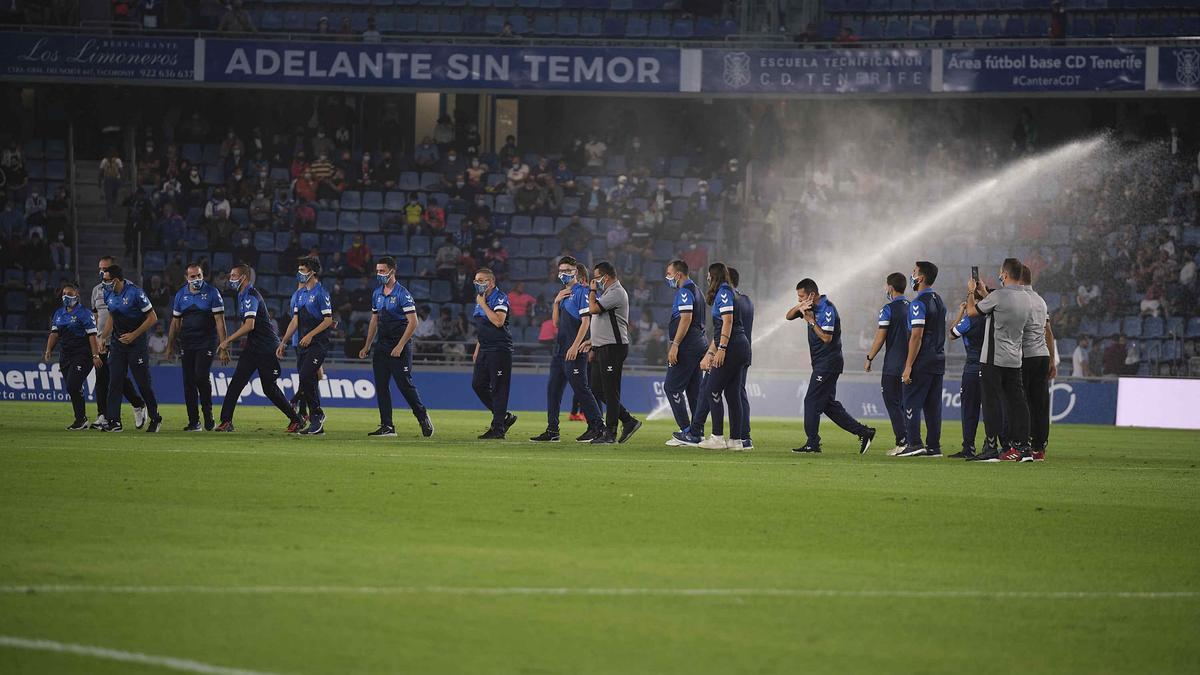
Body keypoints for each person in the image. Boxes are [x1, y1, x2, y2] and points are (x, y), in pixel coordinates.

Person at [785, 279, 875, 454]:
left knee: (810, 401)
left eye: (801, 296)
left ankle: (813, 442)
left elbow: (827, 338)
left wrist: (810, 321)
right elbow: (788, 316)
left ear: (811, 295)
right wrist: (799, 308)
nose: (799, 300)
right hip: (821, 363)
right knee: (827, 405)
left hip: (828, 363)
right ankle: (864, 432)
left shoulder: (827, 308)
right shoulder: (808, 307)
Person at [215, 265, 304, 432]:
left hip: (267, 349)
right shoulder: (242, 295)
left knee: (269, 388)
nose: (230, 279)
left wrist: (227, 341)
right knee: (236, 383)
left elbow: (250, 325)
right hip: (253, 348)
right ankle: (226, 421)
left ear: (244, 277)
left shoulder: (250, 295)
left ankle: (296, 419)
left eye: (234, 276)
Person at [965, 258, 1033, 462]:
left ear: (1004, 274)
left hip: (993, 358)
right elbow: (1000, 307)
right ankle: (1023, 447)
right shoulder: (1026, 297)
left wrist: (971, 292)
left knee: (991, 402)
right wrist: (986, 293)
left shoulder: (1000, 296)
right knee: (1018, 403)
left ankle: (991, 447)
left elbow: (971, 312)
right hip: (1014, 358)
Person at [359, 257, 435, 438]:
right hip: (382, 346)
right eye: (378, 271)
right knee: (382, 386)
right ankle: (387, 425)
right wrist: (367, 345)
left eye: (383, 271)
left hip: (399, 344)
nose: (380, 274)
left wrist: (400, 345)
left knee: (404, 384)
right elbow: (374, 320)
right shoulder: (377, 293)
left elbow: (413, 322)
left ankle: (422, 416)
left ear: (393, 271)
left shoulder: (403, 294)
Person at [531, 258, 604, 443]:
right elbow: (555, 323)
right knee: (553, 390)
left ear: (576, 272)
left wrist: (575, 346)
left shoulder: (583, 292)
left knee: (581, 389)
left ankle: (597, 427)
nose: (564, 273)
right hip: (560, 350)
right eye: (561, 270)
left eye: (568, 269)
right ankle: (552, 430)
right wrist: (556, 303)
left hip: (574, 350)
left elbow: (586, 321)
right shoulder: (563, 294)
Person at [98, 265, 163, 433]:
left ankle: (156, 418)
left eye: (106, 280)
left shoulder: (136, 293)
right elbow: (112, 315)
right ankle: (114, 422)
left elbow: (152, 318)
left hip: (136, 344)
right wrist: (103, 337)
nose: (103, 283)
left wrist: (134, 335)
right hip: (118, 343)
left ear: (116, 280)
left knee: (143, 384)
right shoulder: (108, 293)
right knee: (114, 382)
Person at [583, 261, 642, 444]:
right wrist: (594, 344)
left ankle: (611, 432)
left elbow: (593, 309)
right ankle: (628, 420)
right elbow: (603, 322)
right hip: (603, 346)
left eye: (597, 277)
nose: (595, 281)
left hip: (613, 347)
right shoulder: (608, 293)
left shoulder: (616, 292)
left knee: (610, 390)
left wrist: (592, 291)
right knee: (597, 388)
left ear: (606, 277)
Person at [166, 262, 228, 431]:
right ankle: (194, 421)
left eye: (199, 276)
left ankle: (208, 415)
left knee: (201, 377)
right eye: (193, 277)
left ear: (203, 276)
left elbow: (220, 322)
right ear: (186, 278)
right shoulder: (180, 295)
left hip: (206, 341)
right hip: (187, 342)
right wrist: (170, 346)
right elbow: (175, 323)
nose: (196, 279)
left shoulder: (212, 293)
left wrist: (223, 346)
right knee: (188, 382)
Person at [278, 257, 334, 436]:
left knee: (305, 375)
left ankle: (317, 414)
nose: (299, 273)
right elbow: (295, 321)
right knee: (305, 378)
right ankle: (317, 424)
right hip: (302, 344)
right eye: (299, 269)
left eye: (302, 270)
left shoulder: (321, 293)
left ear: (312, 272)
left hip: (318, 344)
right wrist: (284, 341)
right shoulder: (299, 295)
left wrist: (310, 335)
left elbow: (328, 320)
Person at [897, 261, 947, 458]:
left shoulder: (918, 303)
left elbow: (917, 335)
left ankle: (914, 443)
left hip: (922, 359)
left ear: (921, 278)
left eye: (914, 272)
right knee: (933, 405)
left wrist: (908, 365)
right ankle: (934, 447)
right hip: (938, 359)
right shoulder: (939, 300)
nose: (912, 275)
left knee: (911, 401)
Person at [91, 255, 147, 429]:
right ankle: (104, 415)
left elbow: (115, 316)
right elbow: (96, 315)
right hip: (101, 339)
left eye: (105, 269)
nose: (102, 272)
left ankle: (137, 404)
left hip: (117, 340)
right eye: (100, 269)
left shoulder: (126, 288)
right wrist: (97, 338)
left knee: (117, 379)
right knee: (101, 379)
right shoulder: (96, 291)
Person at [43, 281, 102, 430]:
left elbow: (92, 336)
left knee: (73, 385)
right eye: (64, 294)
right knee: (72, 388)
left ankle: (81, 419)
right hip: (65, 354)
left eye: (69, 294)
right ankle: (81, 419)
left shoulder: (85, 314)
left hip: (82, 354)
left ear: (77, 295)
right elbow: (54, 334)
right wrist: (49, 349)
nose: (66, 297)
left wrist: (95, 356)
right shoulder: (59, 313)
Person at [661, 259, 707, 443]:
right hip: (698, 344)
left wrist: (675, 344)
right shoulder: (697, 290)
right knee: (693, 390)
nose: (668, 278)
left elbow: (686, 319)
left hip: (687, 346)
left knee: (671, 387)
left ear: (678, 274)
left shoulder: (685, 291)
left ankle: (687, 430)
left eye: (669, 274)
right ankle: (697, 432)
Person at [865, 273, 909, 455]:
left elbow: (881, 336)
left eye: (886, 286)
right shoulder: (914, 307)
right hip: (911, 364)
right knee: (905, 404)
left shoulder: (888, 309)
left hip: (893, 365)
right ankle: (913, 441)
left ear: (890, 287)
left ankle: (902, 441)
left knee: (892, 402)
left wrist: (869, 358)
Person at [471, 268, 517, 439]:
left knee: (499, 388)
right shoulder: (480, 299)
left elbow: (498, 321)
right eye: (476, 280)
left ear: (491, 282)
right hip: (485, 348)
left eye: (481, 280)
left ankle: (498, 428)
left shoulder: (499, 297)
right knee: (478, 384)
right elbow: (482, 326)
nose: (478, 283)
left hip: (499, 348)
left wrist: (483, 304)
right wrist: (478, 347)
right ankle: (503, 416)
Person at [1020, 264, 1055, 462]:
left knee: (1021, 401)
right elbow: (1048, 331)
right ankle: (1039, 446)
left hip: (1025, 355)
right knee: (1040, 402)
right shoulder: (1040, 301)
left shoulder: (1020, 300)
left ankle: (1021, 443)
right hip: (1042, 355)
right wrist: (1052, 359)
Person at [949, 286, 987, 459]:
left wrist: (961, 311)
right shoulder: (991, 318)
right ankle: (993, 445)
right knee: (992, 408)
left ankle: (969, 447)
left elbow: (951, 334)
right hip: (990, 367)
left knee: (969, 409)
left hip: (972, 368)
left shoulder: (970, 319)